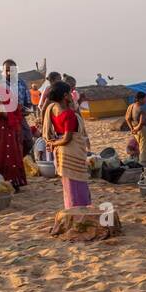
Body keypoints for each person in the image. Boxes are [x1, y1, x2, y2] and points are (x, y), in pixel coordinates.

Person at [41, 80, 93, 210]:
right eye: (70, 93)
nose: (71, 95)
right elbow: (67, 138)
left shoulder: (52, 109)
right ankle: (79, 211)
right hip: (71, 149)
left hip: (61, 152)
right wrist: (55, 144)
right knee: (77, 182)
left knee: (68, 185)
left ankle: (71, 209)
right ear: (65, 95)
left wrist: (53, 143)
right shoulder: (68, 114)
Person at [0, 65, 28, 190]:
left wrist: (8, 115)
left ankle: (3, 182)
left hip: (0, 129)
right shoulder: (6, 90)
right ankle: (15, 182)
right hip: (9, 127)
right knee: (11, 152)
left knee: (0, 153)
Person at [125, 91, 146, 166]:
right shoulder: (140, 109)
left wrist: (132, 129)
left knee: (142, 146)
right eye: (145, 99)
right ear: (140, 99)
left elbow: (127, 118)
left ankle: (143, 161)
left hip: (136, 130)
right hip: (143, 130)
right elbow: (141, 123)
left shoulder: (131, 106)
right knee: (145, 147)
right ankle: (145, 163)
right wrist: (137, 128)